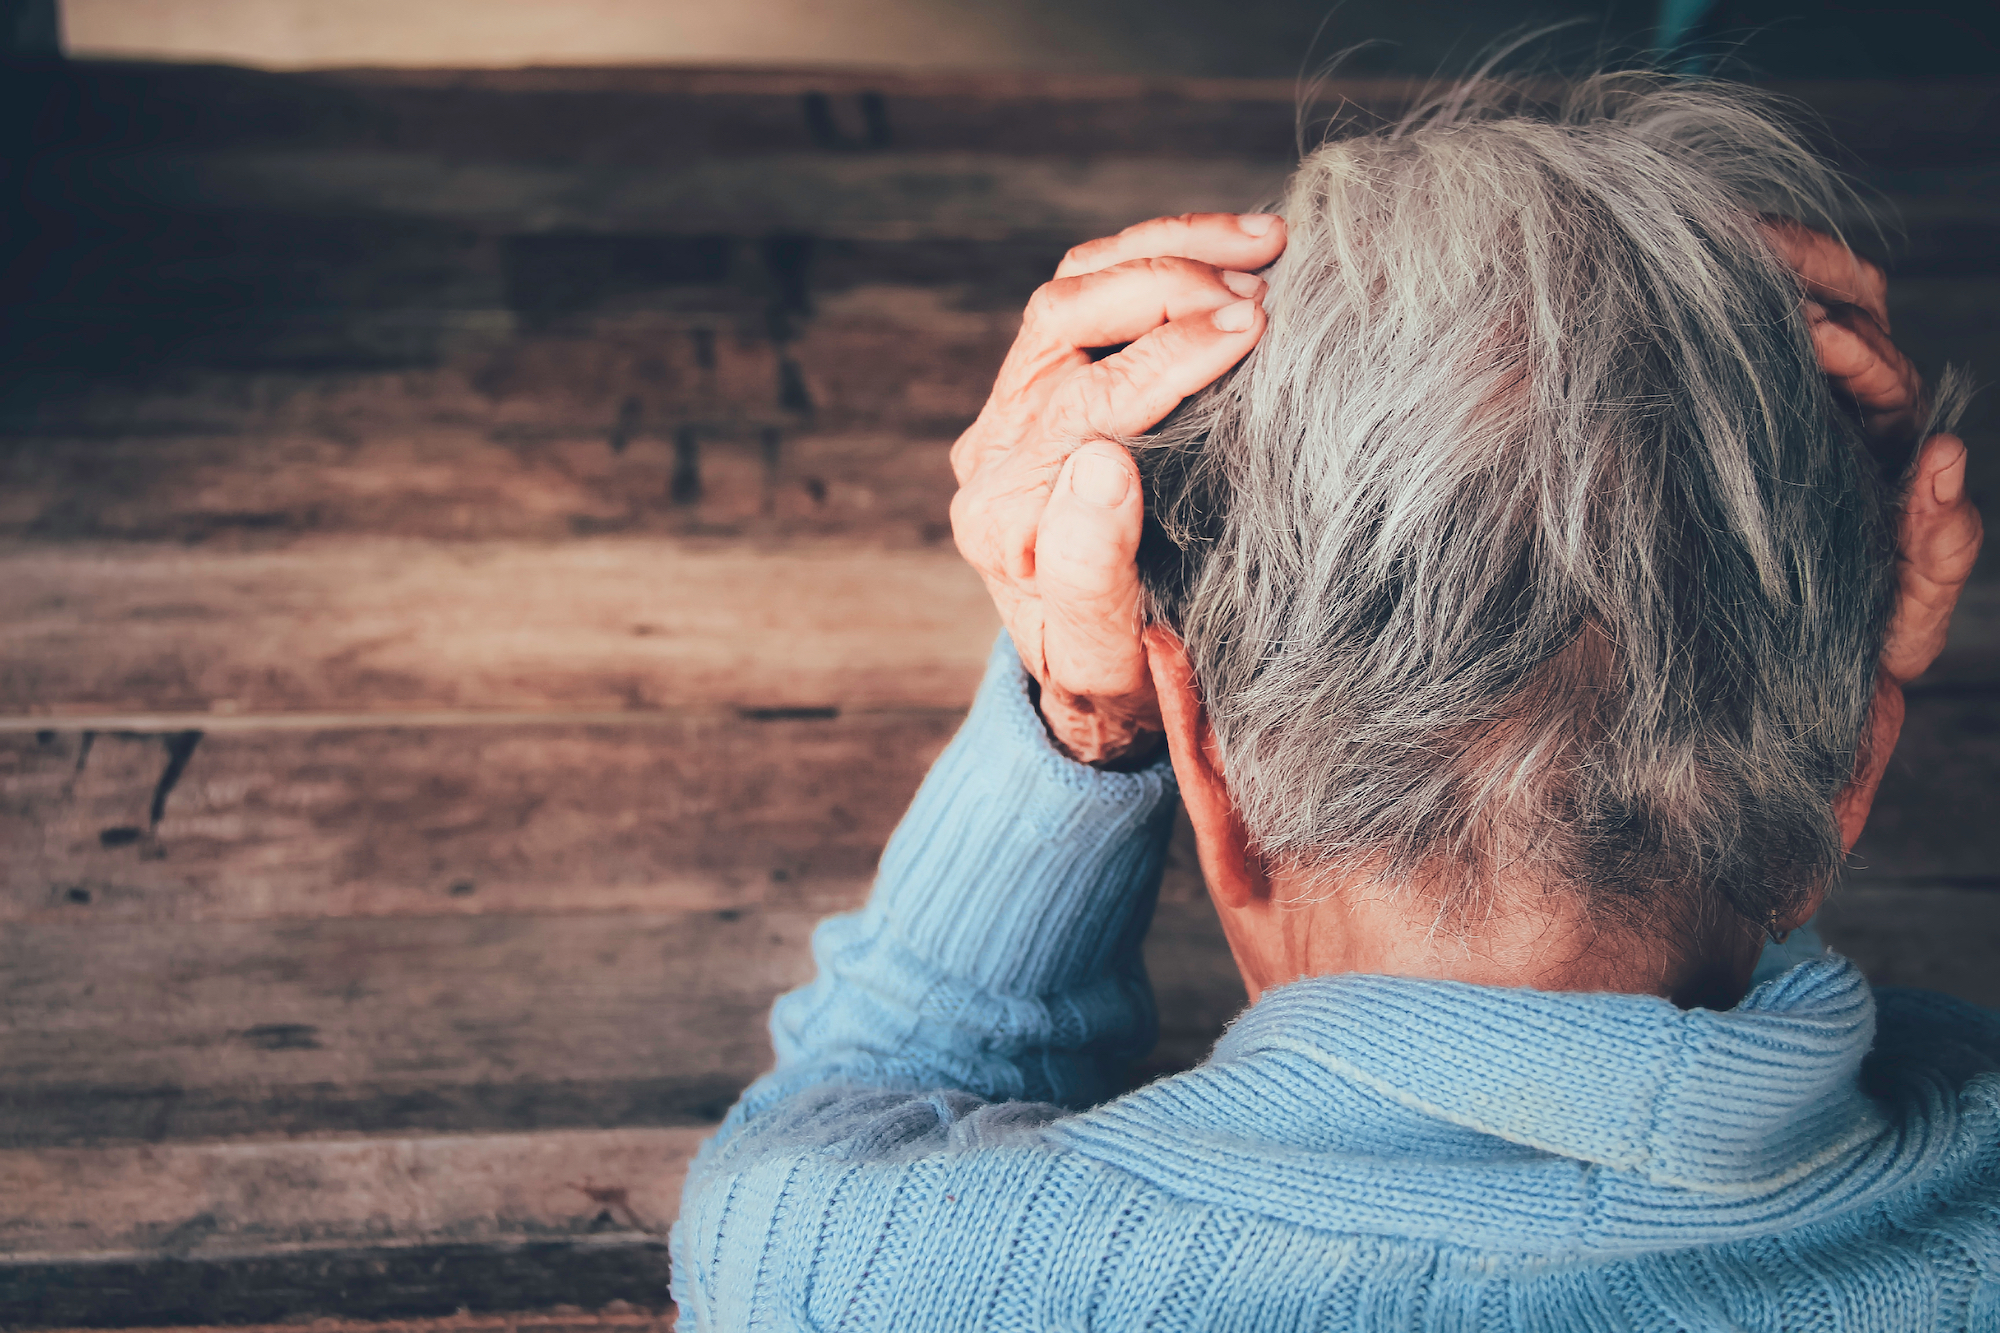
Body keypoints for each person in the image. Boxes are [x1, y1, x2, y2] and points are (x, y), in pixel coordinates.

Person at [670, 76, 1991, 1330]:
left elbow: (849, 1117)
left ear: (1213, 779)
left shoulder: (851, 1275)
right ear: (1856, 770)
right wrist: (1820, 696)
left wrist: (1078, 711)